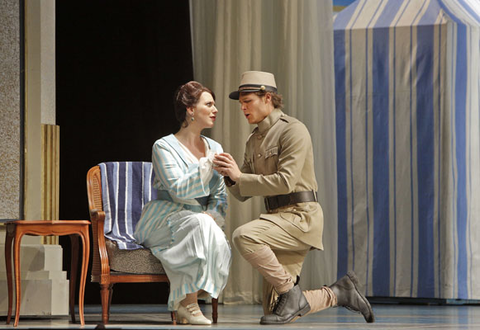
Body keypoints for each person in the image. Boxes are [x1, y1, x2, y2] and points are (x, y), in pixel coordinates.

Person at [213, 71, 374, 324]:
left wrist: (240, 177)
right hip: (276, 219)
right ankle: (340, 293)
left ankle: (290, 291)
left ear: (268, 97)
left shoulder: (293, 130)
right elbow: (243, 193)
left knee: (243, 235)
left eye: (248, 100)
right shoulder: (253, 140)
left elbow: (286, 181)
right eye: (241, 102)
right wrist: (230, 176)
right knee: (276, 311)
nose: (243, 107)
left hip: (300, 216)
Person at [134, 81, 231, 325]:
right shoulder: (163, 146)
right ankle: (188, 303)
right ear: (190, 109)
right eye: (208, 104)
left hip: (201, 218)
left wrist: (211, 214)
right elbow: (177, 189)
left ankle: (187, 299)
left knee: (209, 230)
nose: (215, 109)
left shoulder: (215, 148)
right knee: (199, 225)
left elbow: (219, 194)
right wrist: (206, 165)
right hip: (163, 217)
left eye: (214, 104)